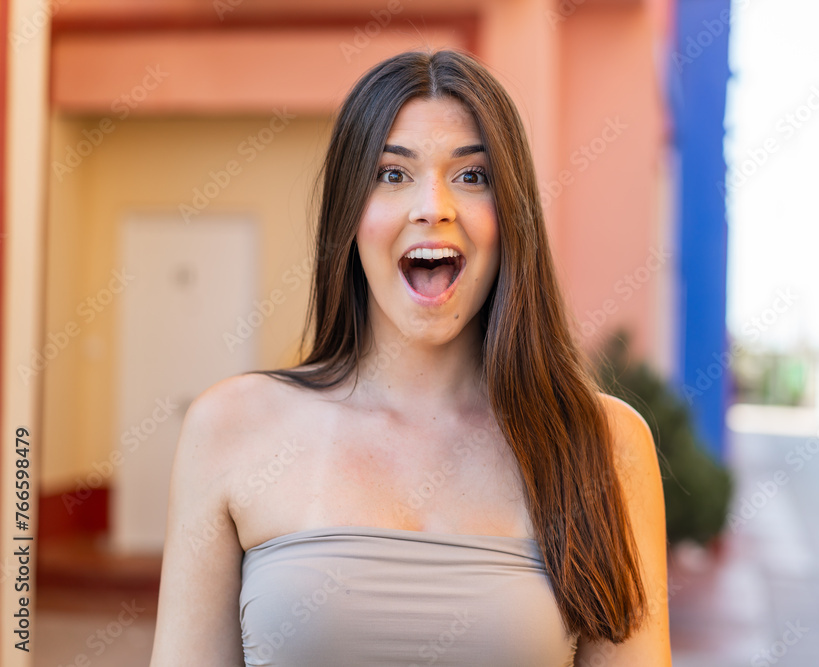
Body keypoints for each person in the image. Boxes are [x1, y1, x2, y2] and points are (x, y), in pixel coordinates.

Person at [150, 48, 670, 666]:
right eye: (392, 174)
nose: (433, 206)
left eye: (472, 176)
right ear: (348, 215)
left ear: (513, 218)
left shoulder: (603, 446)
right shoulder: (230, 428)